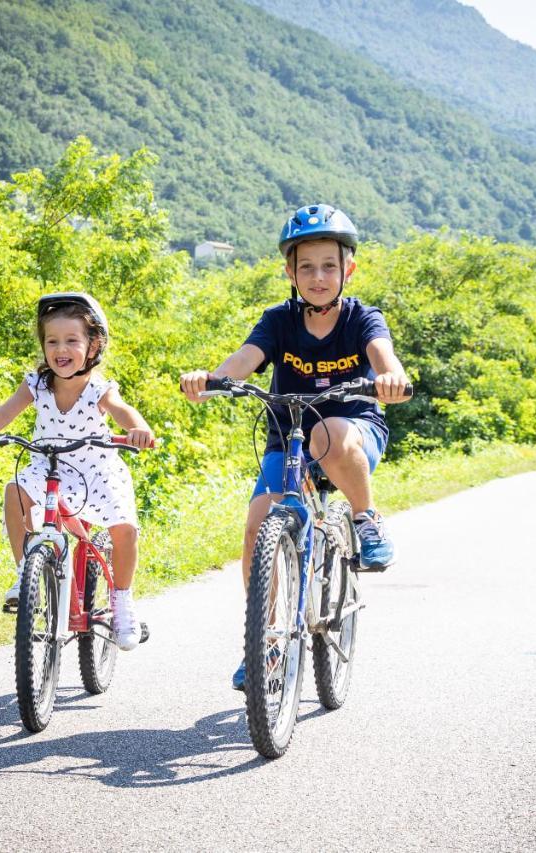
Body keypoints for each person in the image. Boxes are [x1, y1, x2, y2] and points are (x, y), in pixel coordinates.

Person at [179, 204, 412, 690]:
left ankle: (365, 518)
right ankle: (262, 641)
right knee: (257, 524)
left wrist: (392, 376)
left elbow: (382, 354)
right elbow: (246, 358)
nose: (318, 276)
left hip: (354, 432)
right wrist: (214, 379)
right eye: (306, 267)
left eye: (329, 265)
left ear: (348, 269)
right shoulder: (279, 321)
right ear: (290, 272)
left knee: (330, 434)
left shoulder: (362, 318)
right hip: (289, 438)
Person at [0, 292, 155, 650]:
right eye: (52, 341)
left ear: (93, 345)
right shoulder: (36, 385)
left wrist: (139, 429)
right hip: (48, 466)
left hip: (97, 471)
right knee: (14, 491)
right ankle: (26, 574)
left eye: (72, 340)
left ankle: (123, 602)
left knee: (125, 529)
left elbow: (123, 410)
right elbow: (5, 412)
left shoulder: (99, 389)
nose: (60, 349)